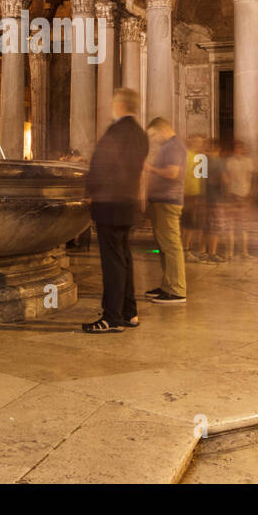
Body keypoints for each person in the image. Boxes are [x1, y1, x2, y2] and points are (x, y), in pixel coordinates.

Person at [82, 88, 149, 333]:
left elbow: (100, 164)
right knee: (124, 260)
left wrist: (90, 192)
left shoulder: (116, 130)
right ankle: (130, 312)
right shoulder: (141, 134)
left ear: (120, 105)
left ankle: (111, 317)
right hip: (128, 203)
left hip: (110, 203)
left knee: (112, 263)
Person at [144, 117, 186, 304]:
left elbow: (172, 173)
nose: (153, 139)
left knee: (170, 246)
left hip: (168, 201)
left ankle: (176, 290)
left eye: (153, 135)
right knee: (164, 246)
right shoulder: (170, 146)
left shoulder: (172, 147)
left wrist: (149, 168)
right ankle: (167, 285)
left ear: (162, 130)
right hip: (163, 201)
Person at [223, 139, 257, 259]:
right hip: (232, 195)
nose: (238, 150)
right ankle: (230, 252)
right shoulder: (229, 161)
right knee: (230, 225)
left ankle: (244, 251)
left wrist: (250, 191)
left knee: (243, 225)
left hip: (243, 194)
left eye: (240, 148)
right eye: (236, 148)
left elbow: (251, 177)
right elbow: (226, 177)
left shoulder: (248, 161)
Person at [181, 135, 208, 258]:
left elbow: (202, 177)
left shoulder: (201, 157)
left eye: (201, 142)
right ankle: (185, 249)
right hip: (187, 193)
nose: (199, 144)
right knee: (188, 223)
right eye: (197, 142)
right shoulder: (186, 155)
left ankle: (187, 248)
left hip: (195, 194)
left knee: (191, 223)